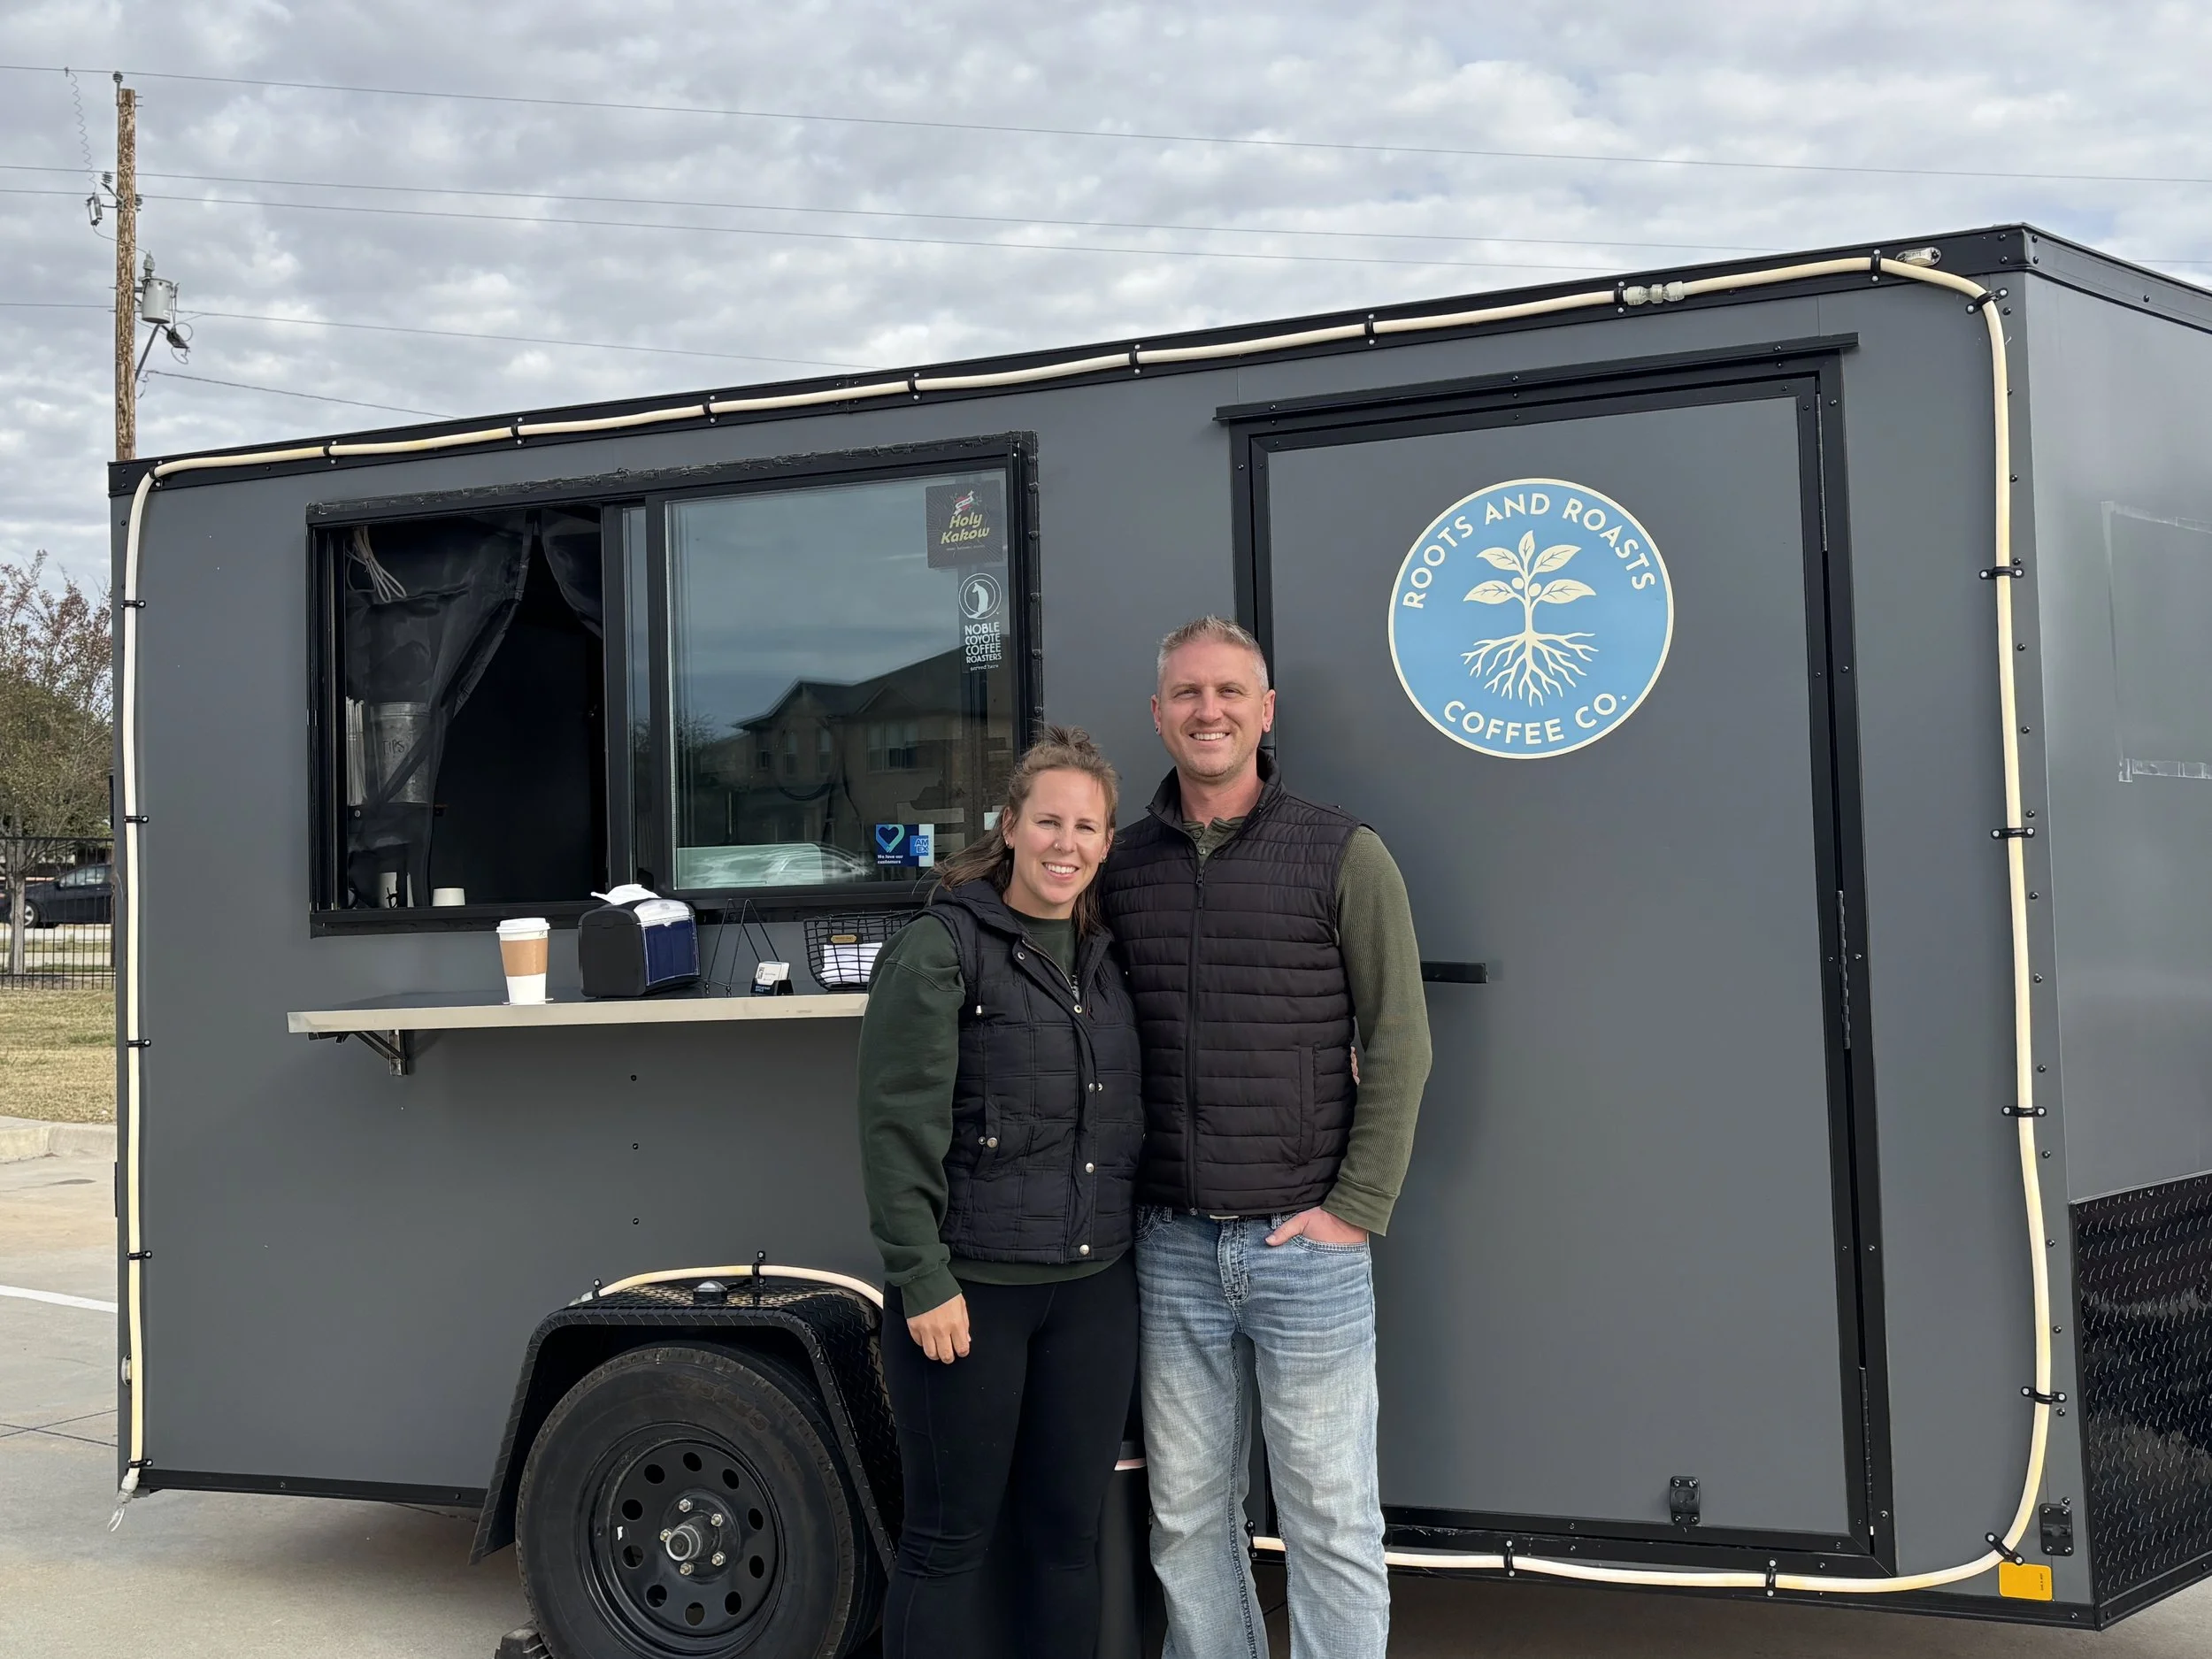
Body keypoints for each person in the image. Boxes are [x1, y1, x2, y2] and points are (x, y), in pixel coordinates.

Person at [1098, 617, 1432, 1659]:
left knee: (1330, 1517)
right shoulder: (1118, 865)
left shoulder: (1344, 853)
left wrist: (1354, 1209)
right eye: (1188, 694)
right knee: (1189, 1516)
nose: (1209, 711)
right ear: (1158, 715)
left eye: (1230, 693)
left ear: (1266, 711)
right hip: (1171, 1247)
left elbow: (1400, 1042)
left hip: (1308, 1248)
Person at [857, 726, 1146, 1659]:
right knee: (950, 1543)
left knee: (1068, 1541)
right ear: (1011, 826)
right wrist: (921, 1274)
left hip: (1091, 1292)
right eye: (1049, 821)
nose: (1066, 844)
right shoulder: (943, 948)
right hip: (969, 1297)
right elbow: (896, 1126)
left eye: (1087, 828)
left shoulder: (1102, 960)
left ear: (1106, 845)